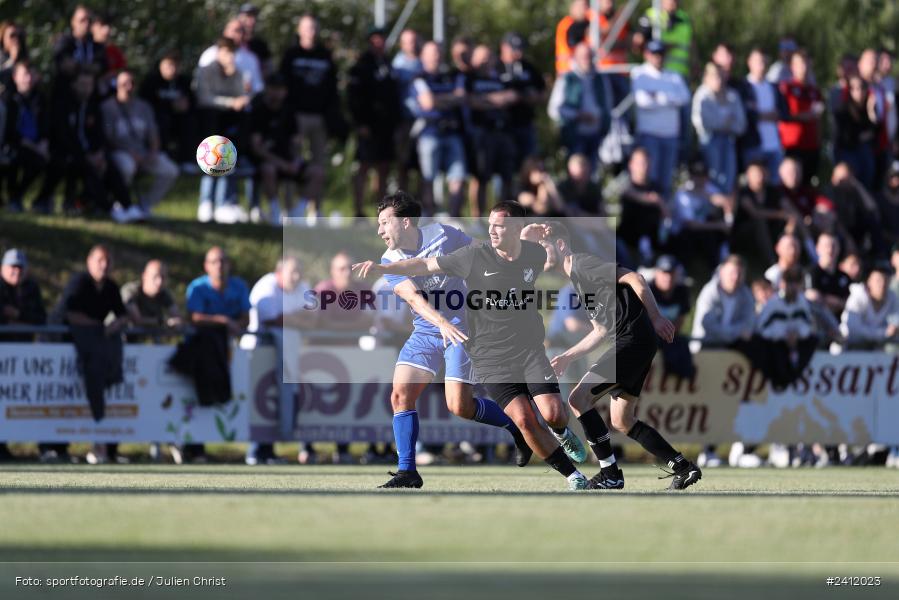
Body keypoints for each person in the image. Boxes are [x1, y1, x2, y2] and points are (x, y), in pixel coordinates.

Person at [353, 201, 591, 490]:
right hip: (429, 329)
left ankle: (517, 424)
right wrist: (440, 322)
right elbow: (414, 298)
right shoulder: (389, 259)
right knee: (400, 394)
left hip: (464, 328)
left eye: (384, 222)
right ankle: (408, 471)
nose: (380, 230)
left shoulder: (444, 234)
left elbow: (488, 253)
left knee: (460, 406)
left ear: (405, 222)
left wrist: (522, 237)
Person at [542, 222, 701, 490]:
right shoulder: (578, 282)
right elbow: (600, 330)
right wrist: (568, 356)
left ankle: (610, 474)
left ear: (560, 245)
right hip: (635, 341)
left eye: (542, 249)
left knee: (579, 399)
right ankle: (683, 467)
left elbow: (635, 278)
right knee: (622, 420)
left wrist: (656, 316)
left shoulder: (581, 265)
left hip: (633, 340)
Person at [57, 245, 133, 464]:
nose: (104, 265)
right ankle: (55, 448)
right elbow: (69, 314)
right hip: (63, 341)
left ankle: (103, 446)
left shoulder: (110, 287)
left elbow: (123, 315)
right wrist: (99, 327)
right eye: (100, 260)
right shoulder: (79, 282)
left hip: (93, 344)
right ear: (89, 262)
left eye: (108, 260)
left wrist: (116, 323)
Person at [241, 254, 313, 466]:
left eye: (299, 271)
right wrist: (297, 318)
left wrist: (294, 319)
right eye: (293, 271)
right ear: (279, 272)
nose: (297, 276)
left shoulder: (302, 286)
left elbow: (313, 318)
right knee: (260, 400)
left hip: (287, 355)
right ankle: (255, 451)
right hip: (258, 354)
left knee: (278, 401)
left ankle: (268, 451)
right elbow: (274, 319)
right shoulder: (266, 286)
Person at [183, 246, 250, 462]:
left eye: (222, 261)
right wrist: (223, 322)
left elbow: (245, 317)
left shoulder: (238, 286)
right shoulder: (198, 287)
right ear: (206, 266)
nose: (219, 266)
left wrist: (236, 325)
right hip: (201, 351)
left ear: (228, 264)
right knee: (196, 401)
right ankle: (194, 448)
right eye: (214, 261)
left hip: (230, 350)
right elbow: (195, 317)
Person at [49, 69, 132, 220]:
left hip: (91, 153)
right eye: (83, 84)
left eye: (90, 84)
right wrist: (86, 156)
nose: (87, 88)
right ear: (74, 85)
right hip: (69, 153)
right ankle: (107, 208)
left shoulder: (93, 107)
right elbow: (64, 137)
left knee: (110, 166)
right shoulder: (63, 106)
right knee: (87, 168)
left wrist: (99, 153)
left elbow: (99, 134)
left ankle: (127, 205)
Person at [280, 14, 339, 220]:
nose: (311, 31)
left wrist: (331, 117)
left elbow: (332, 89)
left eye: (314, 27)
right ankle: (289, 209)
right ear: (299, 30)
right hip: (296, 118)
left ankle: (315, 210)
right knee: (292, 164)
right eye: (307, 27)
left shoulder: (325, 55)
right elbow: (283, 87)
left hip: (319, 118)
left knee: (318, 165)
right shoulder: (291, 54)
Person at [101, 69, 178, 217]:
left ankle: (145, 205)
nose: (129, 87)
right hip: (120, 152)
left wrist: (153, 152)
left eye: (132, 83)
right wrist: (131, 154)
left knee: (170, 170)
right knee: (126, 167)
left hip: (143, 153)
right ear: (116, 85)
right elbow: (107, 139)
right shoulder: (107, 108)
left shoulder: (144, 107)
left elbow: (153, 134)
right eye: (124, 83)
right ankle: (121, 203)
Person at [248, 73, 315, 224]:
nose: (277, 93)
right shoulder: (258, 111)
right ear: (267, 89)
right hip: (266, 162)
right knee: (268, 170)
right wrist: (282, 164)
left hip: (287, 161)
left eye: (280, 89)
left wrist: (296, 160)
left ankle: (297, 213)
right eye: (273, 88)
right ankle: (275, 211)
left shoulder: (289, 111)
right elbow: (257, 148)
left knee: (317, 173)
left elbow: (296, 142)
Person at [195, 38, 249, 223]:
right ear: (218, 52)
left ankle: (222, 204)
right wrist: (229, 102)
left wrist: (233, 77)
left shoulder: (236, 72)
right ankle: (206, 203)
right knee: (211, 163)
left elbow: (241, 97)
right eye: (226, 52)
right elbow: (204, 98)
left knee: (228, 162)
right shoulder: (206, 70)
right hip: (209, 122)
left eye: (233, 53)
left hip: (229, 123)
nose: (230, 57)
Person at [409, 41, 467, 215]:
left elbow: (462, 97)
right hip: (430, 132)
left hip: (452, 132)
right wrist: (449, 99)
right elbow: (428, 103)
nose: (436, 56)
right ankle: (429, 214)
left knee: (458, 176)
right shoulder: (419, 78)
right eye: (432, 52)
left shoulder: (453, 75)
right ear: (423, 56)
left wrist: (438, 99)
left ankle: (454, 217)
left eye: (439, 52)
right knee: (428, 177)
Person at [348, 28, 400, 217]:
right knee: (364, 165)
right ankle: (358, 209)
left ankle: (382, 212)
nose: (380, 44)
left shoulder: (388, 63)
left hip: (386, 126)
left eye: (382, 40)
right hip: (367, 125)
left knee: (384, 167)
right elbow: (353, 97)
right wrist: (360, 123)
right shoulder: (362, 65)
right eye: (376, 40)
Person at [631, 39, 691, 202]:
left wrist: (657, 96)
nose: (658, 58)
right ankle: (650, 217)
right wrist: (670, 99)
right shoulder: (640, 73)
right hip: (649, 135)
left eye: (661, 54)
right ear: (647, 54)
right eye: (654, 54)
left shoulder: (674, 76)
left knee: (666, 182)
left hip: (670, 136)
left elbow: (684, 98)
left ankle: (662, 220)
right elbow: (643, 101)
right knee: (651, 179)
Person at [464, 44, 517, 216]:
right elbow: (471, 101)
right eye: (481, 58)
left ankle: (504, 217)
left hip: (503, 131)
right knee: (481, 177)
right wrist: (495, 100)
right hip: (481, 133)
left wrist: (486, 101)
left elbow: (512, 97)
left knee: (507, 176)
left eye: (489, 57)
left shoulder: (500, 78)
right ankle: (477, 217)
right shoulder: (470, 79)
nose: (485, 61)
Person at [547, 43, 609, 175]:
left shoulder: (600, 78)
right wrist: (578, 115)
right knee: (576, 175)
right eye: (583, 57)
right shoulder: (567, 78)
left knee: (593, 175)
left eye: (589, 56)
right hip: (575, 136)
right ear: (576, 58)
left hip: (596, 135)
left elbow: (607, 105)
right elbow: (554, 109)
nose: (587, 60)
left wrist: (604, 125)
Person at [4, 61, 55, 213]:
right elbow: (10, 132)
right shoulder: (9, 99)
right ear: (15, 77)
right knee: (13, 161)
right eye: (25, 74)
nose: (29, 78)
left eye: (32, 74)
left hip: (35, 145)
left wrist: (44, 143)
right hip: (15, 145)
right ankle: (14, 199)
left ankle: (36, 201)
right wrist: (34, 146)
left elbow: (46, 125)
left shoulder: (40, 99)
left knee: (52, 162)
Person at [692, 62, 746, 193]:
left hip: (729, 141)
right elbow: (704, 124)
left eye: (722, 76)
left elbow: (741, 125)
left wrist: (720, 123)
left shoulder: (733, 96)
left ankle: (726, 209)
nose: (720, 80)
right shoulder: (702, 96)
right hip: (709, 142)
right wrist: (726, 122)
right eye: (716, 76)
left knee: (729, 178)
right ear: (707, 77)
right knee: (712, 178)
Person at [669, 160, 734, 270]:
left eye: (702, 176)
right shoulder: (683, 194)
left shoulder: (708, 188)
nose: (699, 179)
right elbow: (691, 225)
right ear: (690, 177)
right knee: (697, 235)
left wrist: (728, 219)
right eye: (696, 176)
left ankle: (721, 262)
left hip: (703, 228)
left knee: (712, 229)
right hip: (682, 232)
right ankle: (682, 270)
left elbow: (727, 202)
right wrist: (719, 225)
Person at [498, 32, 546, 171]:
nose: (518, 53)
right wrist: (505, 97)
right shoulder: (495, 67)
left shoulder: (528, 67)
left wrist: (534, 97)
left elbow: (543, 92)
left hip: (525, 124)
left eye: (520, 49)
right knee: (505, 168)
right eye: (514, 48)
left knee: (530, 166)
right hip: (503, 127)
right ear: (504, 47)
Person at [690, 254, 756, 353]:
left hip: (733, 347)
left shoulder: (746, 294)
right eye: (732, 273)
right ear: (721, 272)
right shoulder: (709, 292)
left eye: (739, 273)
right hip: (706, 347)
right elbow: (708, 325)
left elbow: (749, 325)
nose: (736, 277)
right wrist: (736, 332)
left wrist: (732, 334)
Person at [138, 52, 195, 166]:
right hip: (157, 118)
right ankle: (162, 154)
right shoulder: (151, 81)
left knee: (190, 121)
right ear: (160, 65)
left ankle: (186, 160)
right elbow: (146, 103)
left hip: (179, 117)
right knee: (162, 120)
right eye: (169, 65)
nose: (173, 69)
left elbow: (192, 100)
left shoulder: (184, 81)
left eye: (176, 65)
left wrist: (186, 105)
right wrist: (170, 106)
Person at [738, 48, 786, 180]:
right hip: (753, 145)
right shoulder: (743, 87)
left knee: (774, 185)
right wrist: (761, 116)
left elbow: (783, 112)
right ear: (749, 62)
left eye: (764, 62)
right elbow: (743, 115)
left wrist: (767, 115)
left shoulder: (774, 87)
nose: (762, 65)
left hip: (774, 145)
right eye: (759, 61)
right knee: (753, 184)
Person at [778, 51, 824, 185]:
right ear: (792, 66)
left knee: (808, 183)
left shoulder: (814, 91)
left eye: (806, 63)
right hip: (792, 145)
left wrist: (818, 141)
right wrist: (804, 116)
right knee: (791, 182)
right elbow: (783, 115)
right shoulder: (786, 88)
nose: (803, 67)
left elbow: (818, 119)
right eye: (799, 64)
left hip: (811, 145)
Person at [733, 160, 790, 264]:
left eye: (761, 172)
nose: (759, 176)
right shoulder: (744, 192)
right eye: (755, 173)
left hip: (771, 230)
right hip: (745, 233)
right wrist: (779, 214)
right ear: (748, 175)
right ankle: (772, 262)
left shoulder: (773, 191)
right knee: (760, 222)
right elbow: (755, 213)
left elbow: (788, 209)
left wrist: (791, 222)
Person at [616, 147, 668, 261]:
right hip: (626, 234)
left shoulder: (655, 187)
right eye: (640, 163)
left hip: (651, 235)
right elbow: (625, 192)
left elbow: (667, 214)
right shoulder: (624, 182)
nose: (644, 167)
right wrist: (649, 199)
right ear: (631, 164)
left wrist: (659, 202)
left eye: (647, 163)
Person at [833, 75, 879, 190]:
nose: (859, 92)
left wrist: (871, 112)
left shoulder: (868, 108)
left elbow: (874, 133)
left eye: (862, 88)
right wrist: (862, 136)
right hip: (847, 153)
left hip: (863, 153)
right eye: (855, 88)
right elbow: (844, 137)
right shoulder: (842, 110)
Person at [391, 29, 422, 193]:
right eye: (408, 41)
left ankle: (422, 203)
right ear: (402, 44)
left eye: (414, 40)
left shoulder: (423, 61)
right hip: (404, 119)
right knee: (403, 162)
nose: (412, 44)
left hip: (423, 119)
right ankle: (402, 200)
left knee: (421, 164)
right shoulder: (398, 64)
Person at [198, 18, 263, 96]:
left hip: (245, 104)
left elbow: (258, 87)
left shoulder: (251, 58)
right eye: (235, 30)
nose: (237, 34)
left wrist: (249, 89)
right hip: (214, 105)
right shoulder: (210, 54)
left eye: (241, 31)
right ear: (225, 31)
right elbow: (202, 88)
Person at [840, 266, 899, 351]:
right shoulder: (858, 296)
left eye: (886, 280)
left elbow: (895, 327)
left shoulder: (892, 297)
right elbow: (853, 330)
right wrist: (884, 333)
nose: (882, 285)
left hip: (876, 352)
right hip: (847, 350)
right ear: (869, 281)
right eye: (878, 280)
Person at [634, 0, 693, 79]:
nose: (672, 2)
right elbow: (637, 43)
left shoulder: (684, 18)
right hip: (658, 72)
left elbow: (691, 44)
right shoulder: (651, 15)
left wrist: (695, 64)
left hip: (681, 72)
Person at [52, 5, 106, 90]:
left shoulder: (97, 47)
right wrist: (89, 68)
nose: (86, 24)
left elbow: (101, 67)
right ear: (73, 22)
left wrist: (78, 67)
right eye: (82, 20)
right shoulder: (64, 42)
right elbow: (64, 64)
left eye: (89, 20)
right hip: (67, 93)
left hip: (92, 95)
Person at [0, 248, 46, 342]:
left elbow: (41, 319)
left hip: (23, 349)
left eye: (20, 267)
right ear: (2, 268)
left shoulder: (31, 288)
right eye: (13, 266)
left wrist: (17, 314)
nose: (17, 271)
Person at [121, 259, 181, 330]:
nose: (159, 282)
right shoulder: (130, 290)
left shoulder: (164, 294)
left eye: (163, 277)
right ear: (144, 276)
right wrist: (163, 322)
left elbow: (178, 318)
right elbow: (137, 320)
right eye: (155, 276)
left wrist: (177, 322)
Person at [89, 12, 125, 98]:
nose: (107, 30)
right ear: (92, 27)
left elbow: (122, 72)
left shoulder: (115, 52)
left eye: (109, 26)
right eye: (102, 25)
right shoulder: (85, 49)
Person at [554, 0, 591, 75]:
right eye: (582, 6)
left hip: (577, 70)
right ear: (573, 8)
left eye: (586, 6)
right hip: (568, 71)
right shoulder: (567, 24)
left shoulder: (586, 23)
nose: (585, 9)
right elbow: (572, 42)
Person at [238, 4, 273, 77]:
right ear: (240, 18)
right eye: (248, 16)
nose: (252, 20)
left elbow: (269, 68)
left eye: (254, 16)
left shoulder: (260, 45)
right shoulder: (233, 42)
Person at [0, 21, 27, 88]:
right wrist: (12, 59)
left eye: (19, 36)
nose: (16, 39)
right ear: (3, 37)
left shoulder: (23, 54)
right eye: (12, 35)